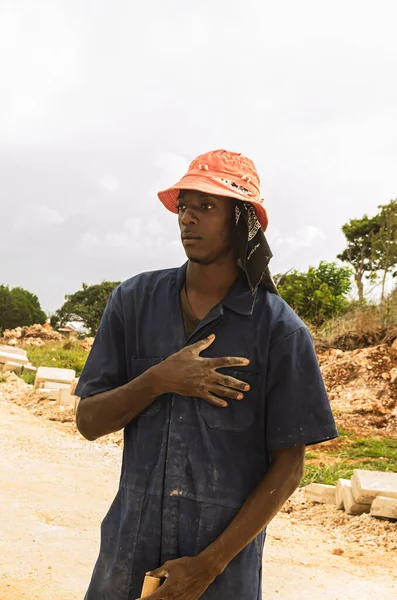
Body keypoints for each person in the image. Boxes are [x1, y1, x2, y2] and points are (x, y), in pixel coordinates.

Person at [75, 149, 338, 600]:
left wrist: (208, 565)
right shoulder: (134, 302)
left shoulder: (279, 331)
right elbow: (89, 422)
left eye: (206, 206)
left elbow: (290, 466)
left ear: (242, 220)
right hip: (126, 557)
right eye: (184, 206)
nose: (187, 219)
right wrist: (158, 379)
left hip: (220, 576)